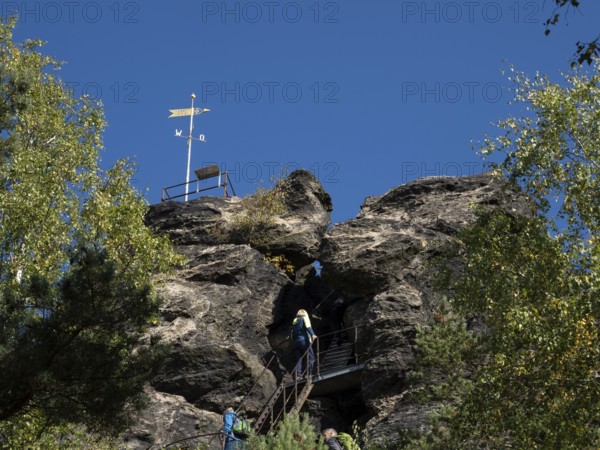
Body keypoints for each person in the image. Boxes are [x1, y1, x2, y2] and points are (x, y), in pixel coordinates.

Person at [291, 309, 317, 379]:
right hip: (304, 341)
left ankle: (298, 375)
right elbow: (308, 327)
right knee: (311, 357)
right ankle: (309, 374)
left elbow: (292, 333)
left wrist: (295, 340)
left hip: (297, 342)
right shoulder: (305, 318)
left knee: (299, 358)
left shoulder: (295, 321)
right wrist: (313, 335)